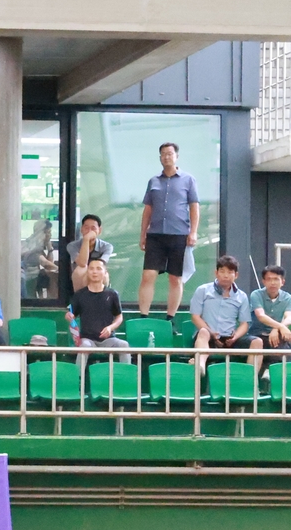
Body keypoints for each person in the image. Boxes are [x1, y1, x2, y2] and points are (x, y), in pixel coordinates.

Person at [139, 142, 200, 322]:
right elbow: (148, 209)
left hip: (179, 234)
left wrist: (193, 232)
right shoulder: (153, 181)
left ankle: (170, 318)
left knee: (175, 278)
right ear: (160, 158)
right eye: (163, 154)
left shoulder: (188, 180)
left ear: (176, 156)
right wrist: (143, 233)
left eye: (170, 154)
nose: (166, 157)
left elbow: (194, 207)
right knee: (148, 275)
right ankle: (143, 316)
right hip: (156, 235)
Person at [190, 255, 263, 374]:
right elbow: (195, 316)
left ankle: (249, 379)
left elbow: (245, 324)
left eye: (230, 272)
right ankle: (200, 365)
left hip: (230, 339)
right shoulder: (203, 290)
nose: (225, 275)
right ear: (216, 273)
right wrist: (211, 332)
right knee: (203, 332)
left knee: (257, 342)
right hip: (208, 336)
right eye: (222, 271)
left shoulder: (242, 296)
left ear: (236, 275)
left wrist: (235, 337)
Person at [68, 257, 129, 369]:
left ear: (105, 272)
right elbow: (71, 314)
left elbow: (119, 317)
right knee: (84, 347)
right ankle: (77, 379)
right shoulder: (80, 295)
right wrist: (69, 316)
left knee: (124, 345)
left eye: (98, 269)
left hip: (109, 339)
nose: (94, 272)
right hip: (88, 339)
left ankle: (126, 378)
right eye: (91, 269)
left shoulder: (112, 294)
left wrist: (110, 328)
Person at [250, 265, 291, 365]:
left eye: (276, 279)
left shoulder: (287, 297)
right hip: (258, 334)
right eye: (269, 279)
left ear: (282, 282)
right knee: (274, 343)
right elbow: (261, 316)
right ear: (263, 281)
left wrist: (276, 329)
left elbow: (289, 316)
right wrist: (280, 326)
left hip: (279, 335)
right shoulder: (256, 294)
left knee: (281, 341)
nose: (272, 283)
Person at [67, 214, 114, 292]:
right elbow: (82, 263)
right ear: (81, 229)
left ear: (99, 230)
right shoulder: (72, 246)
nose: (89, 231)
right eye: (86, 228)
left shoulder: (107, 246)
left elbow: (100, 264)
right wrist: (86, 240)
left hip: (97, 275)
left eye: (93, 228)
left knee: (101, 272)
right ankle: (80, 299)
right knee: (80, 270)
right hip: (79, 279)